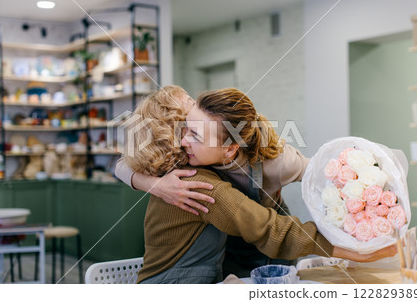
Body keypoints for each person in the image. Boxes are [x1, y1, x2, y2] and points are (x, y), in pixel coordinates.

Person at [118, 85, 396, 284]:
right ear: (172, 132)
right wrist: (153, 185)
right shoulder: (189, 181)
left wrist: (372, 196)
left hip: (251, 260)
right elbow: (266, 228)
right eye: (186, 126)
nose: (195, 108)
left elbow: (323, 175)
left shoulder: (273, 160)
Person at [117, 87, 310, 277]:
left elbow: (319, 173)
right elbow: (121, 167)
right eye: (189, 104)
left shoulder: (275, 162)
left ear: (230, 149)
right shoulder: (192, 155)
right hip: (231, 246)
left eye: (192, 100)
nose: (194, 105)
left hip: (271, 248)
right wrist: (158, 186)